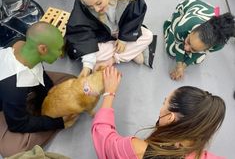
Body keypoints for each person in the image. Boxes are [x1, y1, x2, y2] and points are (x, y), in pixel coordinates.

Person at [92, 66, 226, 159]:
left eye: (164, 103)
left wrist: (109, 93)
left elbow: (104, 139)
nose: (161, 107)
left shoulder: (139, 150)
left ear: (170, 118)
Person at [0, 22, 78, 157]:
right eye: (59, 49)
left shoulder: (19, 42)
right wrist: (58, 122)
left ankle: (35, 109)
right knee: (13, 150)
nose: (61, 54)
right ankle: (35, 112)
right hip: (7, 105)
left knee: (73, 83)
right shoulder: (13, 88)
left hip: (22, 91)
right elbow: (17, 125)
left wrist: (51, 95)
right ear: (43, 49)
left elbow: (39, 71)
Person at [65, 0, 156, 77]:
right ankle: (130, 52)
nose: (96, 9)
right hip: (102, 35)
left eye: (98, 3)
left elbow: (134, 19)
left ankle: (111, 59)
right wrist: (87, 65)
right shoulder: (84, 1)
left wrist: (124, 39)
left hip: (120, 31)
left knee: (148, 36)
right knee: (82, 50)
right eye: (90, 6)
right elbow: (81, 31)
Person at [163, 0, 235, 80]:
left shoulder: (218, 45)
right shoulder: (183, 27)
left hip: (213, 12)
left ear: (209, 47)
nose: (186, 47)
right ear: (192, 31)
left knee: (198, 60)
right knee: (171, 51)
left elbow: (202, 51)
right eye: (188, 41)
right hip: (191, 5)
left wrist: (184, 66)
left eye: (193, 49)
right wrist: (179, 65)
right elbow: (179, 44)